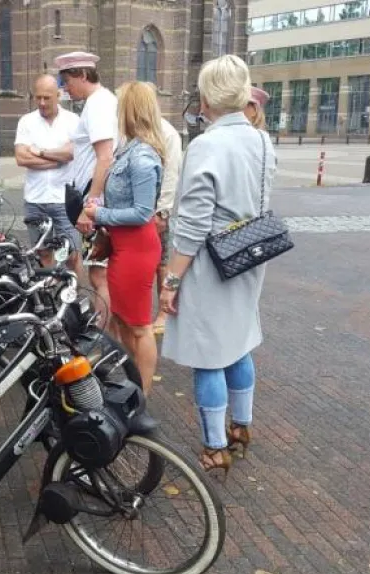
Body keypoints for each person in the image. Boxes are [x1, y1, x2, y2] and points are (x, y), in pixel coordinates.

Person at [159, 55, 277, 476]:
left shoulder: (207, 145)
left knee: (209, 353)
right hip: (250, 254)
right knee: (238, 342)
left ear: (207, 98)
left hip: (212, 262)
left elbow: (191, 224)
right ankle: (241, 428)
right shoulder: (263, 140)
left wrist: (171, 280)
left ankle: (214, 447)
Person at [81, 82, 163, 394]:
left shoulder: (140, 156)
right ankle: (133, 384)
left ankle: (141, 394)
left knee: (139, 327)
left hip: (136, 250)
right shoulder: (130, 149)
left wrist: (99, 215)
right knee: (127, 321)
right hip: (124, 247)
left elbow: (143, 212)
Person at [53, 51, 118, 325]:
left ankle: (103, 341)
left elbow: (105, 157)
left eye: (67, 81)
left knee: (99, 274)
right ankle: (107, 334)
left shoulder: (99, 104)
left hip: (97, 202)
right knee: (98, 273)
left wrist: (88, 208)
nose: (65, 88)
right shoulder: (99, 102)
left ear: (81, 74)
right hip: (97, 200)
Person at [14, 74, 82, 277]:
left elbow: (72, 153)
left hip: (64, 200)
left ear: (58, 95)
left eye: (47, 98)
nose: (42, 103)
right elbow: (21, 158)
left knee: (72, 254)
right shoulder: (27, 121)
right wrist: (57, 159)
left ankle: (74, 299)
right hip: (35, 199)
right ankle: (50, 297)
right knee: (43, 252)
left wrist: (39, 152)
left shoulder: (73, 121)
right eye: (38, 98)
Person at [147, 86, 184, 336]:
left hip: (156, 208)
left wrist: (163, 211)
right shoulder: (135, 131)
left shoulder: (167, 133)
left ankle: (162, 312)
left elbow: (171, 173)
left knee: (161, 263)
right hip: (138, 209)